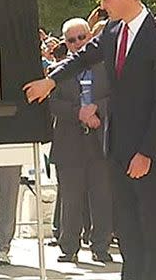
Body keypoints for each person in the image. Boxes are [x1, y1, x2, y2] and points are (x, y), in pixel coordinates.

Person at [24, 0, 156, 280]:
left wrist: (145, 152)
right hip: (117, 145)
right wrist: (50, 82)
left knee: (150, 223)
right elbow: (81, 57)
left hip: (145, 149)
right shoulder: (111, 31)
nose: (102, 5)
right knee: (127, 224)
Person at [49, 18, 113, 263]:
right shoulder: (59, 72)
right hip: (70, 143)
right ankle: (69, 247)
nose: (77, 43)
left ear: (90, 38)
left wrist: (97, 109)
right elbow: (52, 104)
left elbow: (117, 97)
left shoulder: (105, 68)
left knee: (102, 196)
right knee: (71, 198)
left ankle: (100, 247)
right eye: (71, 40)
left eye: (81, 38)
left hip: (101, 141)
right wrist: (78, 112)